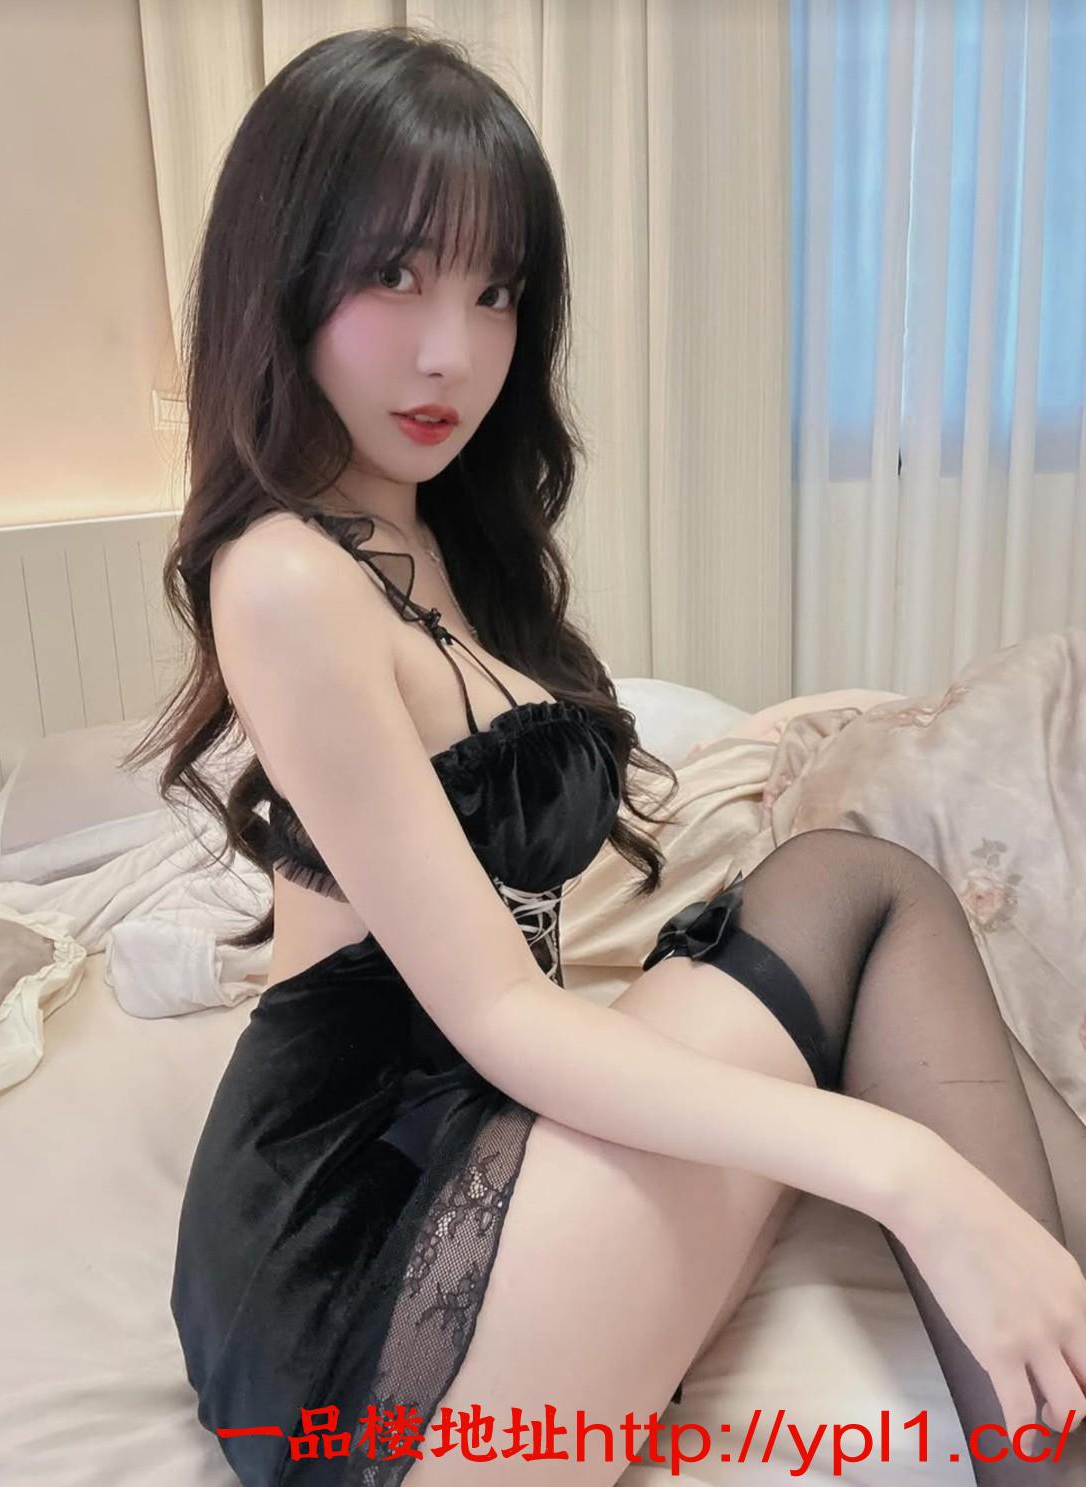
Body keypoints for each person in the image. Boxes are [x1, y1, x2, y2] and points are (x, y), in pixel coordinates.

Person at [124, 26, 1086, 1487]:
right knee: (851, 896)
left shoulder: (433, 541)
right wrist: (911, 1172)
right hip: (355, 1236)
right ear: (286, 274)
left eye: (495, 292)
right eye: (396, 276)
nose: (454, 350)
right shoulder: (286, 576)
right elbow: (503, 1014)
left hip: (482, 1116)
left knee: (850, 886)